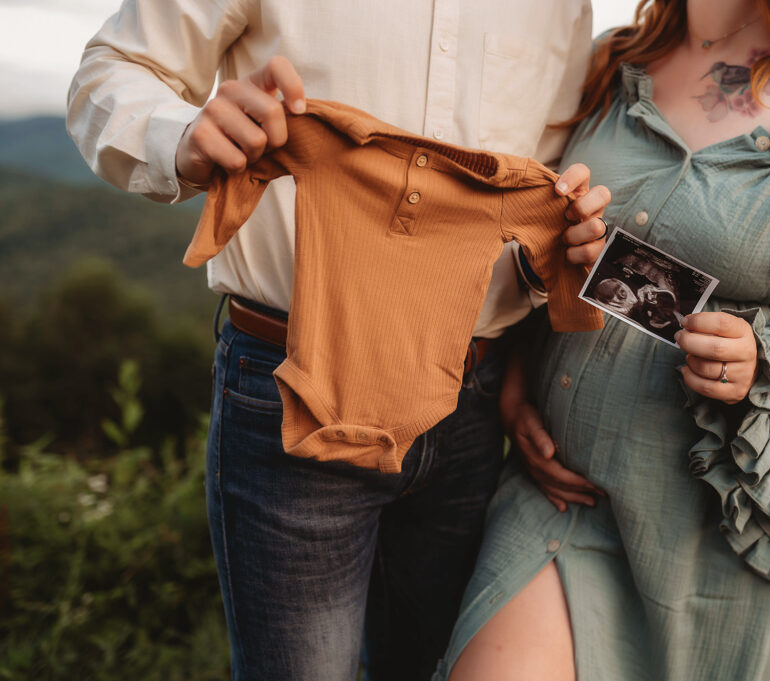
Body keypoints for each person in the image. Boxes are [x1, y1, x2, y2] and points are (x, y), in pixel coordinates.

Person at [65, 2, 611, 680]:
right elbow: (110, 72)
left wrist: (556, 248)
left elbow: (548, 178)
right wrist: (185, 135)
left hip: (470, 403)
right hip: (292, 382)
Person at [436, 1, 770, 680]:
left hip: (719, 531)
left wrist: (766, 357)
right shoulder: (614, 60)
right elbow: (544, 242)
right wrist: (518, 373)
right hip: (566, 503)